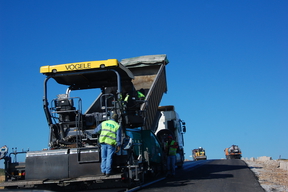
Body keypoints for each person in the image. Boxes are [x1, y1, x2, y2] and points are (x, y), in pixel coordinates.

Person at [93, 113, 121, 177]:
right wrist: (118, 145)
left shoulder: (104, 123)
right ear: (116, 119)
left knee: (104, 157)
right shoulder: (117, 125)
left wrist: (101, 132)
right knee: (109, 157)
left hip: (103, 143)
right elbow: (118, 137)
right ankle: (108, 172)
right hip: (111, 144)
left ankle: (103, 171)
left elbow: (95, 131)